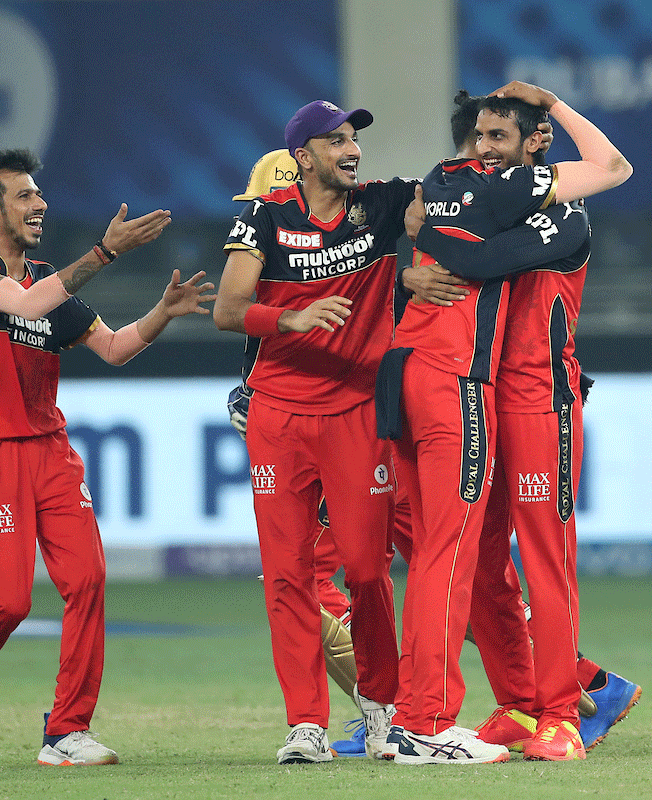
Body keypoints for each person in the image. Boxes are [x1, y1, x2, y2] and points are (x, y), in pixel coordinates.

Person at [0, 149, 214, 766]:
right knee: (7, 601)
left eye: (38, 193)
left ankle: (66, 732)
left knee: (89, 579)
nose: (40, 203)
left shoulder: (48, 280)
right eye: (24, 196)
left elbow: (113, 348)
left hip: (51, 450)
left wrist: (162, 312)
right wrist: (104, 253)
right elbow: (22, 305)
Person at [384, 80, 631, 765]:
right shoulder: (489, 197)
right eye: (479, 138)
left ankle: (560, 715)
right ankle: (519, 702)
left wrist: (554, 104)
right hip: (482, 395)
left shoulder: (567, 216)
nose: (484, 151)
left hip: (542, 402)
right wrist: (411, 268)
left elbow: (480, 257)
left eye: (499, 138)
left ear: (538, 143)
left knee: (544, 560)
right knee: (486, 564)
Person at [213, 101, 420, 764]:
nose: (351, 150)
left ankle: (383, 708)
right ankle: (305, 723)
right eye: (335, 141)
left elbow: (453, 206)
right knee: (287, 575)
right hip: (277, 416)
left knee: (365, 570)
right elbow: (227, 309)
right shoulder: (265, 217)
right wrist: (292, 322)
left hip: (358, 414)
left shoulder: (383, 206)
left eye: (354, 139)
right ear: (303, 155)